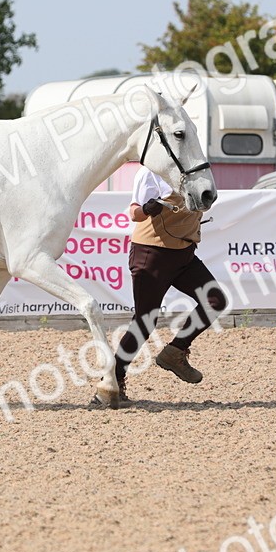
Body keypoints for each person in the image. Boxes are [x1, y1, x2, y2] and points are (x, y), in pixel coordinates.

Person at [93, 166, 226, 407]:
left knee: (215, 300)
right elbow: (135, 213)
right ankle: (111, 380)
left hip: (184, 253)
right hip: (151, 254)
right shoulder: (151, 173)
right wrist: (147, 208)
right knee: (145, 321)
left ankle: (175, 352)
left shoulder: (198, 169)